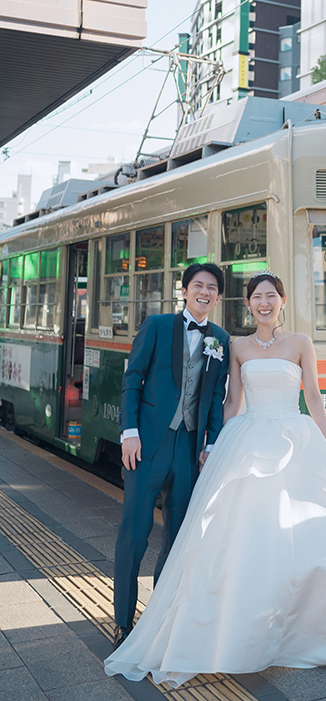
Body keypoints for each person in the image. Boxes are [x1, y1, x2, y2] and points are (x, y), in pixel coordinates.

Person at [105, 271, 326, 687]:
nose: (264, 303)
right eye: (256, 297)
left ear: (282, 301)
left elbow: (312, 397)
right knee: (151, 535)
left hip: (289, 438)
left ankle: (289, 625)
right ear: (246, 304)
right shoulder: (230, 343)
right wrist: (214, 446)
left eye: (271, 296)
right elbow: (229, 400)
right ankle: (128, 623)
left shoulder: (297, 343)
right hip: (218, 439)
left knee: (216, 538)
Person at [112, 263, 230, 649]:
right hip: (146, 445)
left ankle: (158, 619)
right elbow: (132, 379)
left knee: (177, 538)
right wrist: (129, 432)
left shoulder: (221, 340)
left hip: (189, 448)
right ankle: (123, 623)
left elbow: (215, 397)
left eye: (212, 287)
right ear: (184, 290)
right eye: (198, 285)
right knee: (135, 533)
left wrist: (211, 444)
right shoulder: (158, 326)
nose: (204, 292)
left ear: (218, 296)